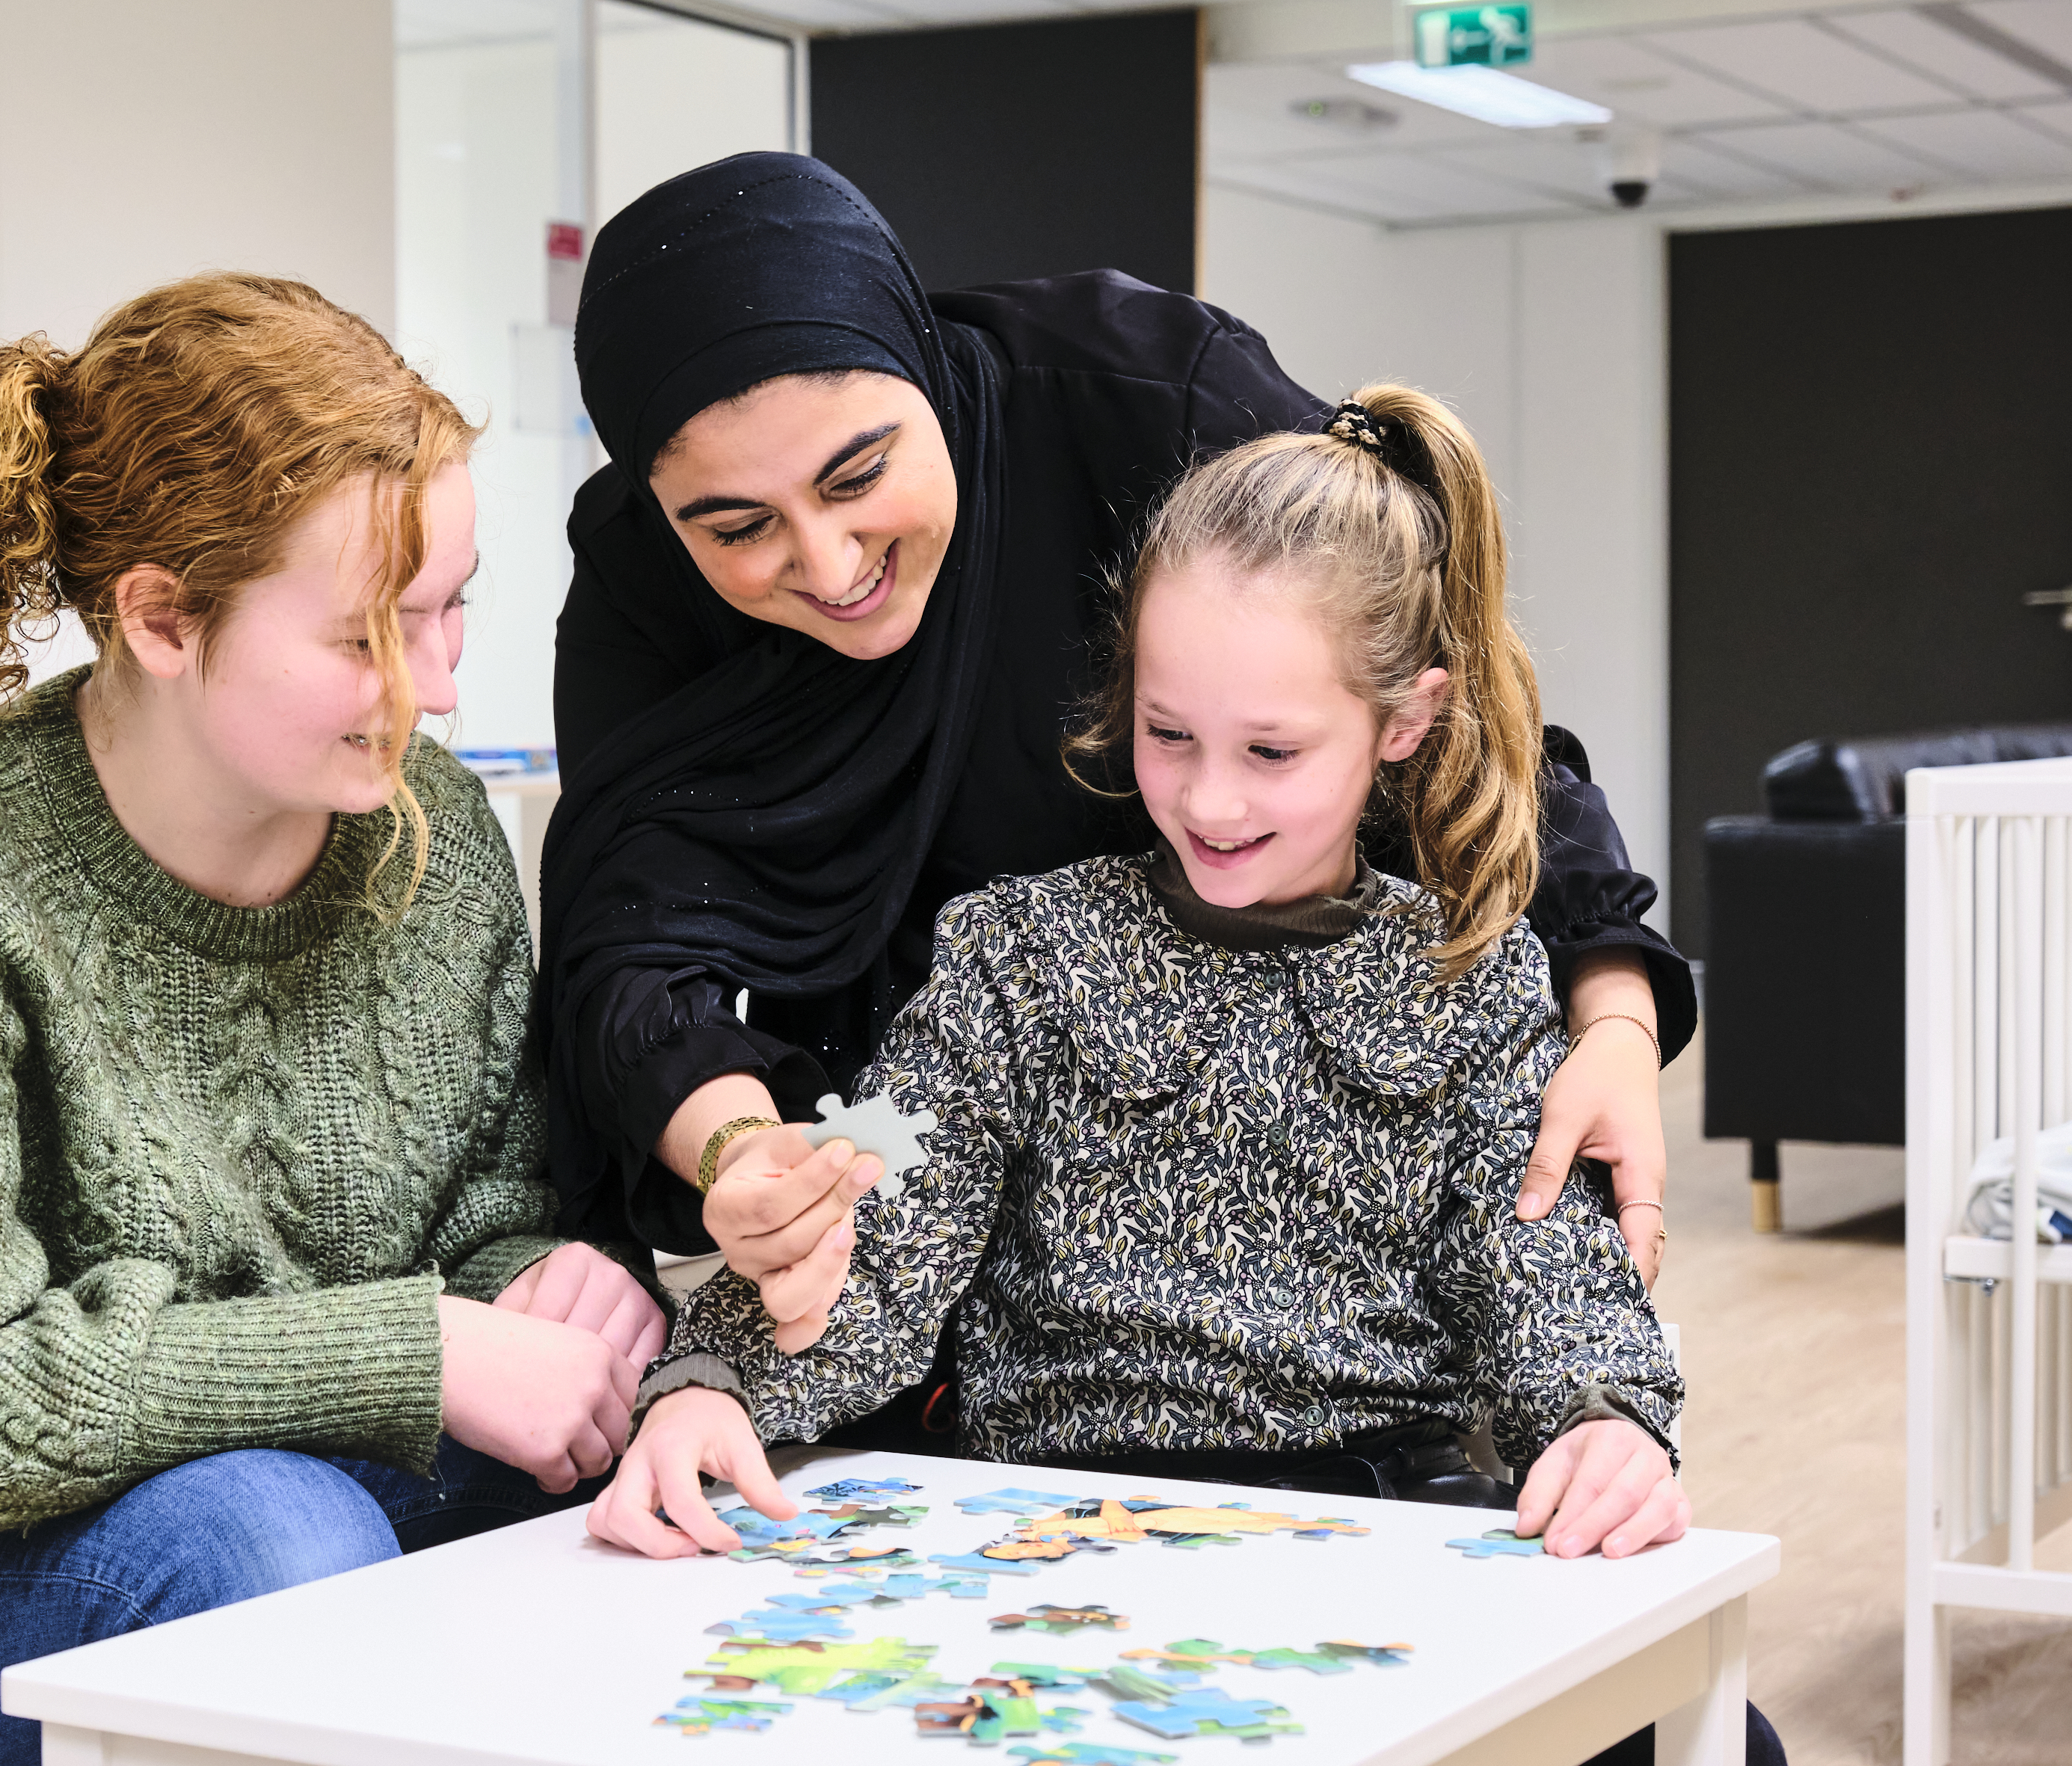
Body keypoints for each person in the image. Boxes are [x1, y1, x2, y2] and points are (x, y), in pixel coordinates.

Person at [588, 387, 1785, 1766]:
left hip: (1380, 1529)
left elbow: (1544, 1275)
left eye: (1272, 752)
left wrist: (1605, 1417)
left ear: (1405, 723)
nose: (1211, 800)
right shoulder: (1012, 955)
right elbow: (873, 1229)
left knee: (1714, 1737)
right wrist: (711, 1382)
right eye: (1170, 735)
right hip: (1050, 1547)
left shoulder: (1479, 975)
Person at [0, 273, 663, 1766]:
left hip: (304, 1478)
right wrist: (421, 1355)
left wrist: (550, 1293)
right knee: (271, 1546)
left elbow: (487, 1220)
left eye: (450, 606)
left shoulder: (438, 834)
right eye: (369, 637)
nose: (439, 687)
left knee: (630, 1489)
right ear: (159, 617)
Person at [541, 156, 1682, 1367]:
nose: (828, 568)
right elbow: (633, 940)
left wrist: (1612, 1017)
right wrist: (738, 1154)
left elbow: (1469, 731)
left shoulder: (1145, 403)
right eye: (738, 528)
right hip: (909, 1150)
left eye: (859, 475)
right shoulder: (642, 595)